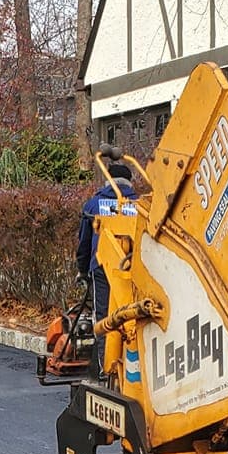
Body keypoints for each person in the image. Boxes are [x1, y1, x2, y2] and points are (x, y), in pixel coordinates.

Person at [75, 158, 141, 373]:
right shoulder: (139, 203)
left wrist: (82, 270)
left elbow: (85, 241)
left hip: (102, 267)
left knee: (104, 317)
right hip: (134, 267)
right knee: (135, 316)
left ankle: (107, 370)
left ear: (108, 181)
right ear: (129, 182)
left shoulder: (94, 204)